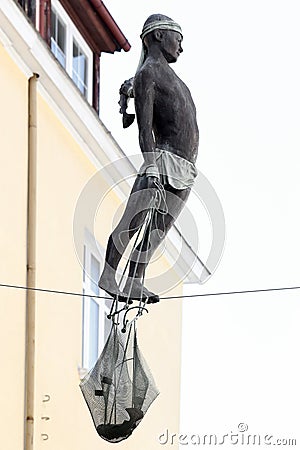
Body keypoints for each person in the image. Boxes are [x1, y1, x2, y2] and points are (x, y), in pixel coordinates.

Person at [98, 14, 199, 303]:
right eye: (178, 39)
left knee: (156, 231)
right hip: (162, 161)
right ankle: (108, 274)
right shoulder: (149, 74)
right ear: (158, 36)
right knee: (133, 221)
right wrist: (152, 166)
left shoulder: (175, 80)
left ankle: (133, 281)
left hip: (185, 169)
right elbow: (145, 129)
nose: (181, 47)